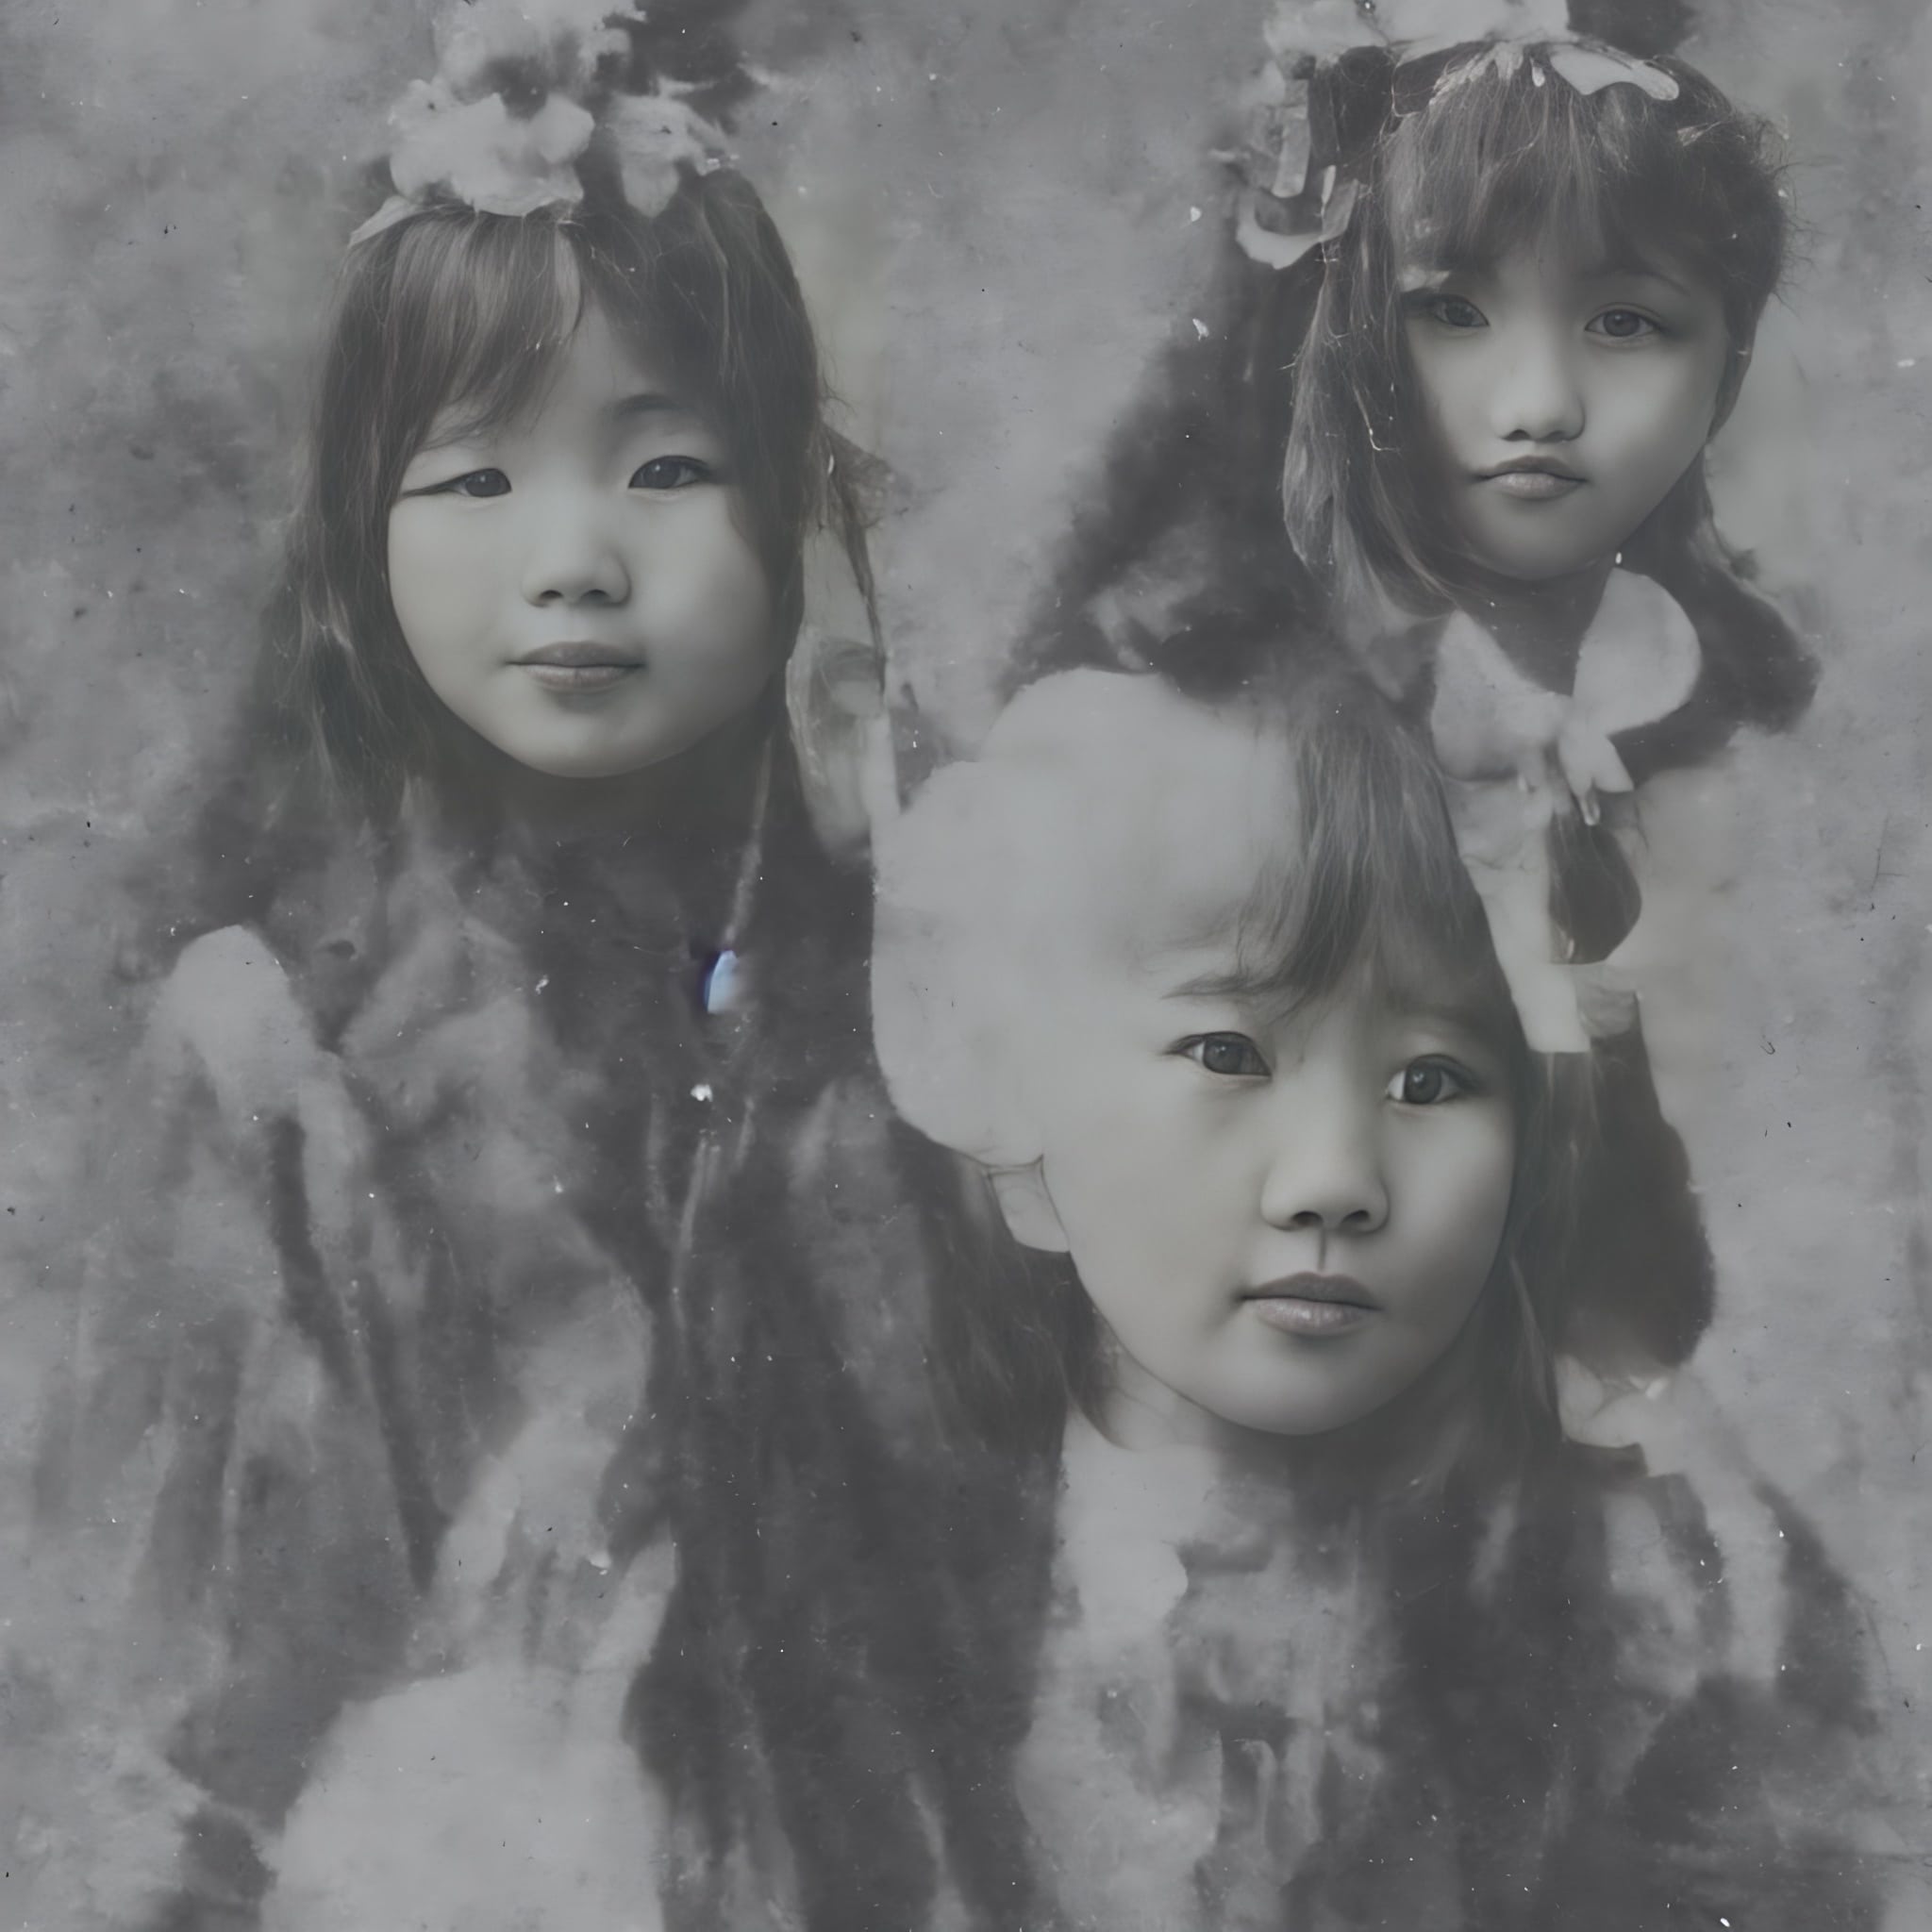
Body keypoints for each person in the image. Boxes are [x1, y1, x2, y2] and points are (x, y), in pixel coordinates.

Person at [25, 5, 1026, 1925]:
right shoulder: (275, 1051)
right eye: (475, 482)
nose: (572, 559)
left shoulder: (910, 993)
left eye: (663, 471)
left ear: (789, 502)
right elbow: (177, 1743)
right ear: (357, 542)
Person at [870, 615, 1881, 1930]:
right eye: (1229, 1055)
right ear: (1010, 1064)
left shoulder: (1655, 1606)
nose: (1335, 1177)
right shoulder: (878, 1598)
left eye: (1431, 1080)